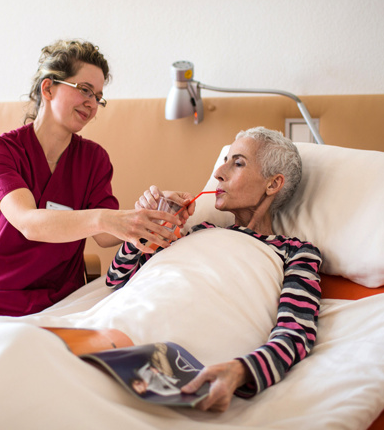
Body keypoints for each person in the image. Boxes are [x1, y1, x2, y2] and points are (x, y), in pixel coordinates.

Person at [0, 39, 186, 317]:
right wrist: (108, 218)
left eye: (98, 97)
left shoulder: (94, 159)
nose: (92, 104)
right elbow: (29, 223)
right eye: (84, 90)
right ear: (48, 88)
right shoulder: (2, 150)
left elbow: (105, 237)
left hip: (57, 301)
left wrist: (147, 212)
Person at [106, 127, 323, 413]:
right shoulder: (198, 231)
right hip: (117, 326)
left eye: (238, 163)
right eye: (224, 160)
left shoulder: (294, 252)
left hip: (178, 355)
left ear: (273, 185)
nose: (219, 172)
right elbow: (117, 279)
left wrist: (241, 370)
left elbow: (295, 332)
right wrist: (148, 228)